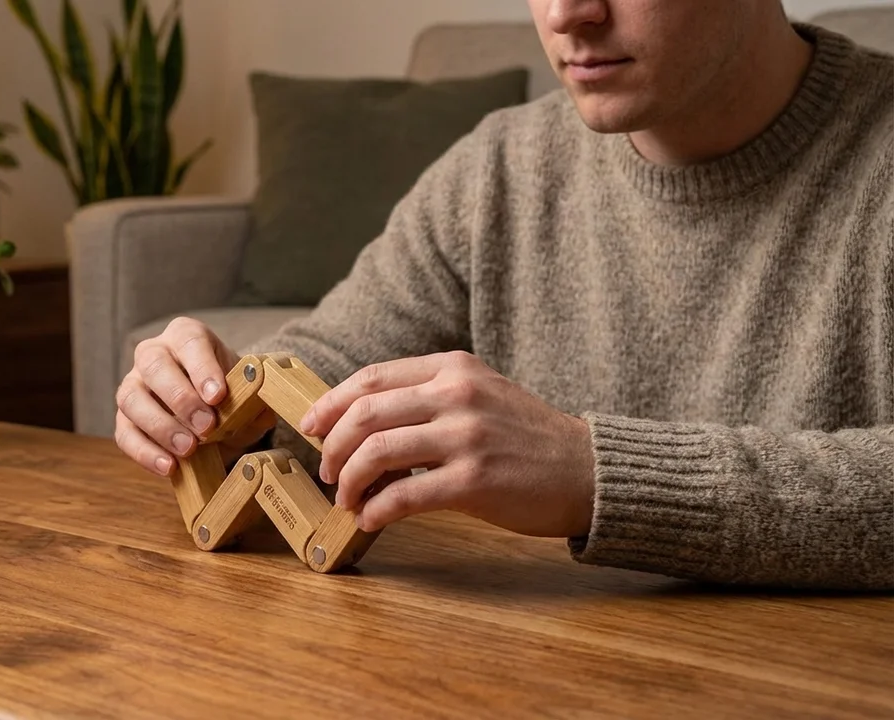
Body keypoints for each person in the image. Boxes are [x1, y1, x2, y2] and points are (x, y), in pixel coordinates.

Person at [113, 0, 894, 589]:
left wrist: (592, 475)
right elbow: (327, 371)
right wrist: (217, 404)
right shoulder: (497, 168)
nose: (567, 13)